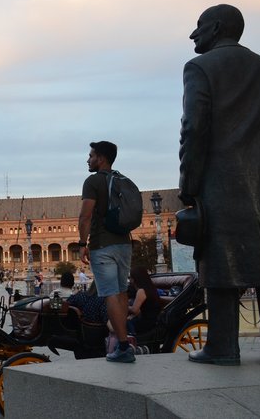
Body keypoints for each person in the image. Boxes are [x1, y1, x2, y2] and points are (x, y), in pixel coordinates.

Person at [179, 4, 260, 367]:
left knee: (221, 265)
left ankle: (223, 347)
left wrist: (188, 183)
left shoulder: (199, 68)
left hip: (221, 181)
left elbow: (194, 130)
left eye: (199, 27)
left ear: (217, 28)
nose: (194, 35)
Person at [79, 140, 135, 363]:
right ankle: (125, 340)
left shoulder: (93, 181)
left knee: (110, 294)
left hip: (103, 245)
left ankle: (122, 346)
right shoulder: (123, 179)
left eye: (91, 155)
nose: (88, 159)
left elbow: (85, 215)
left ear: (100, 158)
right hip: (124, 243)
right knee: (121, 293)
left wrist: (82, 243)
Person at [125, 267, 161, 336]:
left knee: (124, 322)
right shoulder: (151, 288)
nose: (130, 280)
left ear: (135, 279)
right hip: (153, 319)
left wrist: (123, 306)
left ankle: (132, 338)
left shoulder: (141, 291)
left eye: (130, 278)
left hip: (146, 322)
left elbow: (134, 310)